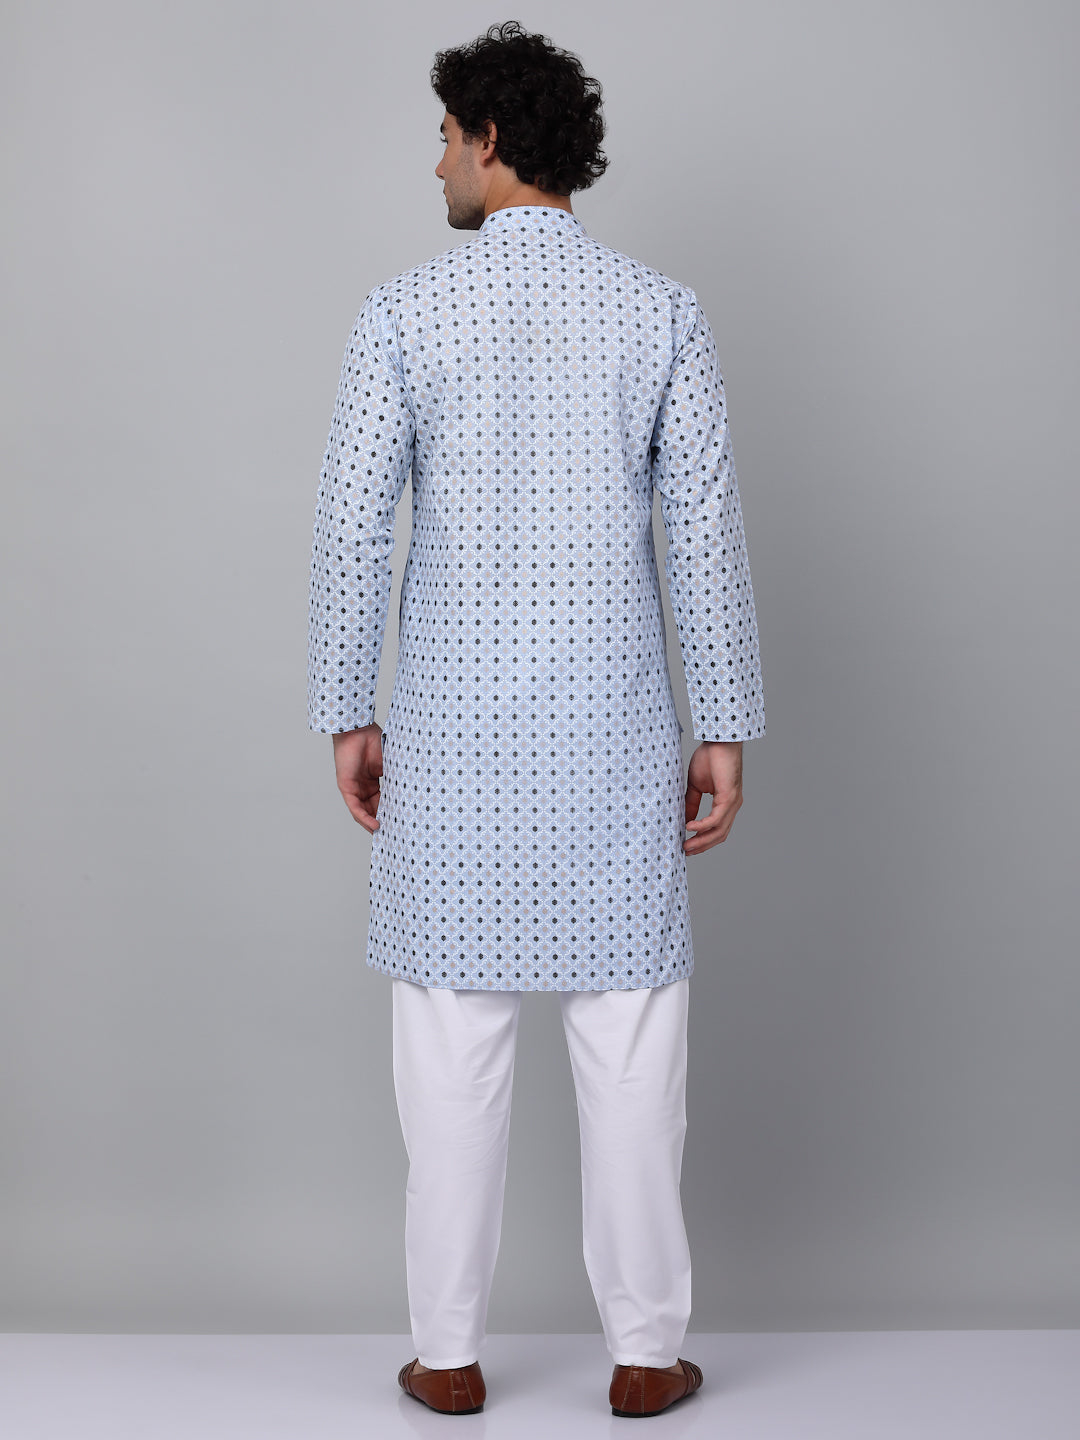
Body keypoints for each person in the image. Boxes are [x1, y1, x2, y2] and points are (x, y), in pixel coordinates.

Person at [306, 20, 765, 1419]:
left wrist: (346, 710)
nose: (437, 161)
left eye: (446, 136)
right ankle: (646, 1354)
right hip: (616, 741)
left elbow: (351, 531)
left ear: (492, 140)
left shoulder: (402, 312)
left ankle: (447, 1356)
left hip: (450, 748)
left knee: (450, 1058)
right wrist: (724, 723)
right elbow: (703, 531)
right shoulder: (662, 311)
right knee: (632, 1060)